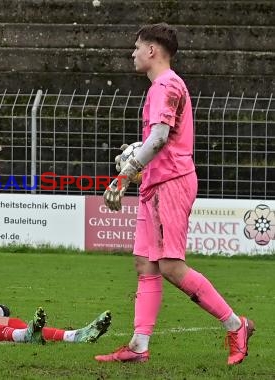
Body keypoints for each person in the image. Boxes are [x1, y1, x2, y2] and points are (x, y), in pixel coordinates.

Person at [98, 23, 254, 365]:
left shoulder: (166, 85)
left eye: (137, 47)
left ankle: (236, 324)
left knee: (170, 265)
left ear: (153, 50)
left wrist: (124, 174)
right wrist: (139, 160)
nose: (133, 53)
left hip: (171, 181)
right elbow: (157, 140)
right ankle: (139, 346)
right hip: (156, 181)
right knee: (146, 264)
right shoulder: (164, 86)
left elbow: (159, 138)